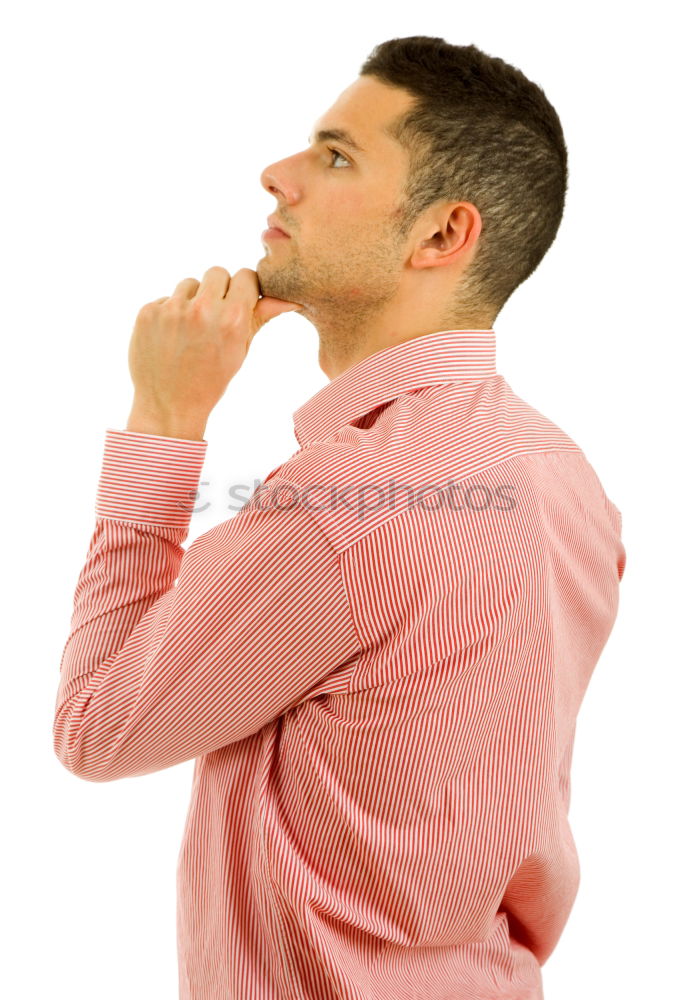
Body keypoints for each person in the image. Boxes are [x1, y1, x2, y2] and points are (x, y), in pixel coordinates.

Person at [53, 35, 626, 1000]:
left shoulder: (352, 500)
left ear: (441, 236)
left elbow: (93, 729)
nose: (277, 177)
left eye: (335, 156)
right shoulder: (566, 476)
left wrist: (164, 418)